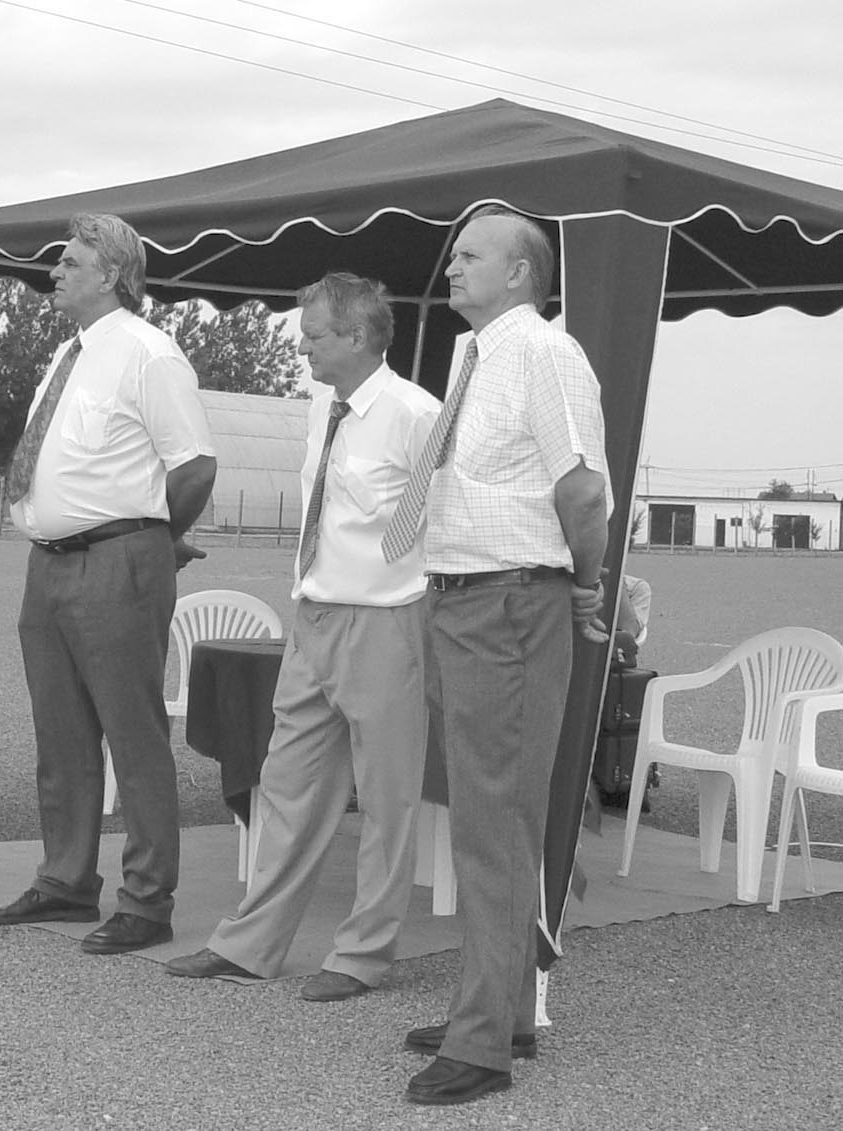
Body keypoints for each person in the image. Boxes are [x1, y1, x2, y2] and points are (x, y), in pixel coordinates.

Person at [381, 205, 611, 1105]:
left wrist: (583, 584)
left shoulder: (544, 353)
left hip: (510, 599)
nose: (451, 265)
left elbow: (581, 491)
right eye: (454, 254)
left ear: (519, 273)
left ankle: (481, 1043)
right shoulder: (475, 354)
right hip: (466, 595)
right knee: (492, 818)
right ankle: (503, 1010)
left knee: (492, 824)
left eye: (470, 254)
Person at [164, 273, 438, 997]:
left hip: (386, 620)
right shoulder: (324, 406)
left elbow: (445, 523)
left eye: (314, 336)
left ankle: (362, 956)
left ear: (357, 335)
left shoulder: (417, 415)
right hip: (314, 616)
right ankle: (251, 944)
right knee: (287, 785)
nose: (302, 348)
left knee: (386, 800)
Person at [0, 213, 217, 955]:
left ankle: (146, 899)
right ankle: (65, 878)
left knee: (132, 734)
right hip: (48, 563)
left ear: (112, 274)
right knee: (60, 733)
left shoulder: (149, 354)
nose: (54, 272)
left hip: (116, 561)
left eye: (70, 262)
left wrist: (153, 541)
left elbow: (194, 467)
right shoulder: (68, 354)